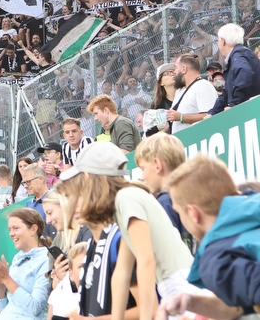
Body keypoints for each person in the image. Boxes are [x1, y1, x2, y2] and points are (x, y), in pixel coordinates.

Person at [56, 142, 193, 320]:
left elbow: (146, 261)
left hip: (181, 286)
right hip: (172, 289)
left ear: (90, 176)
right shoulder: (121, 205)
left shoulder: (127, 198)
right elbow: (122, 272)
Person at [165, 155, 260, 316]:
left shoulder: (218, 258)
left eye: (179, 212)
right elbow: (243, 304)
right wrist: (190, 301)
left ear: (194, 214)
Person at [0, 208, 51, 320]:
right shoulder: (17, 258)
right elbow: (3, 309)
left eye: (16, 228)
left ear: (33, 229)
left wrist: (6, 279)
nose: (11, 233)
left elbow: (35, 307)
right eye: (10, 229)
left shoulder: (45, 260)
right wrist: (1, 287)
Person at [133, 133, 190, 245]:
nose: (142, 177)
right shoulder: (190, 194)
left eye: (143, 169)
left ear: (158, 165)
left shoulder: (164, 203)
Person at [207, 23, 260, 115]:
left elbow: (245, 72)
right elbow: (226, 93)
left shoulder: (239, 55)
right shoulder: (239, 55)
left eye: (218, 41)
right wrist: (212, 113)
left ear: (223, 41)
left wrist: (234, 105)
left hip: (249, 113)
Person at [166, 54, 215, 133]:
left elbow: (210, 116)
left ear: (184, 69)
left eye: (176, 68)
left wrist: (181, 117)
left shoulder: (202, 85)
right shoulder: (179, 91)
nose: (174, 72)